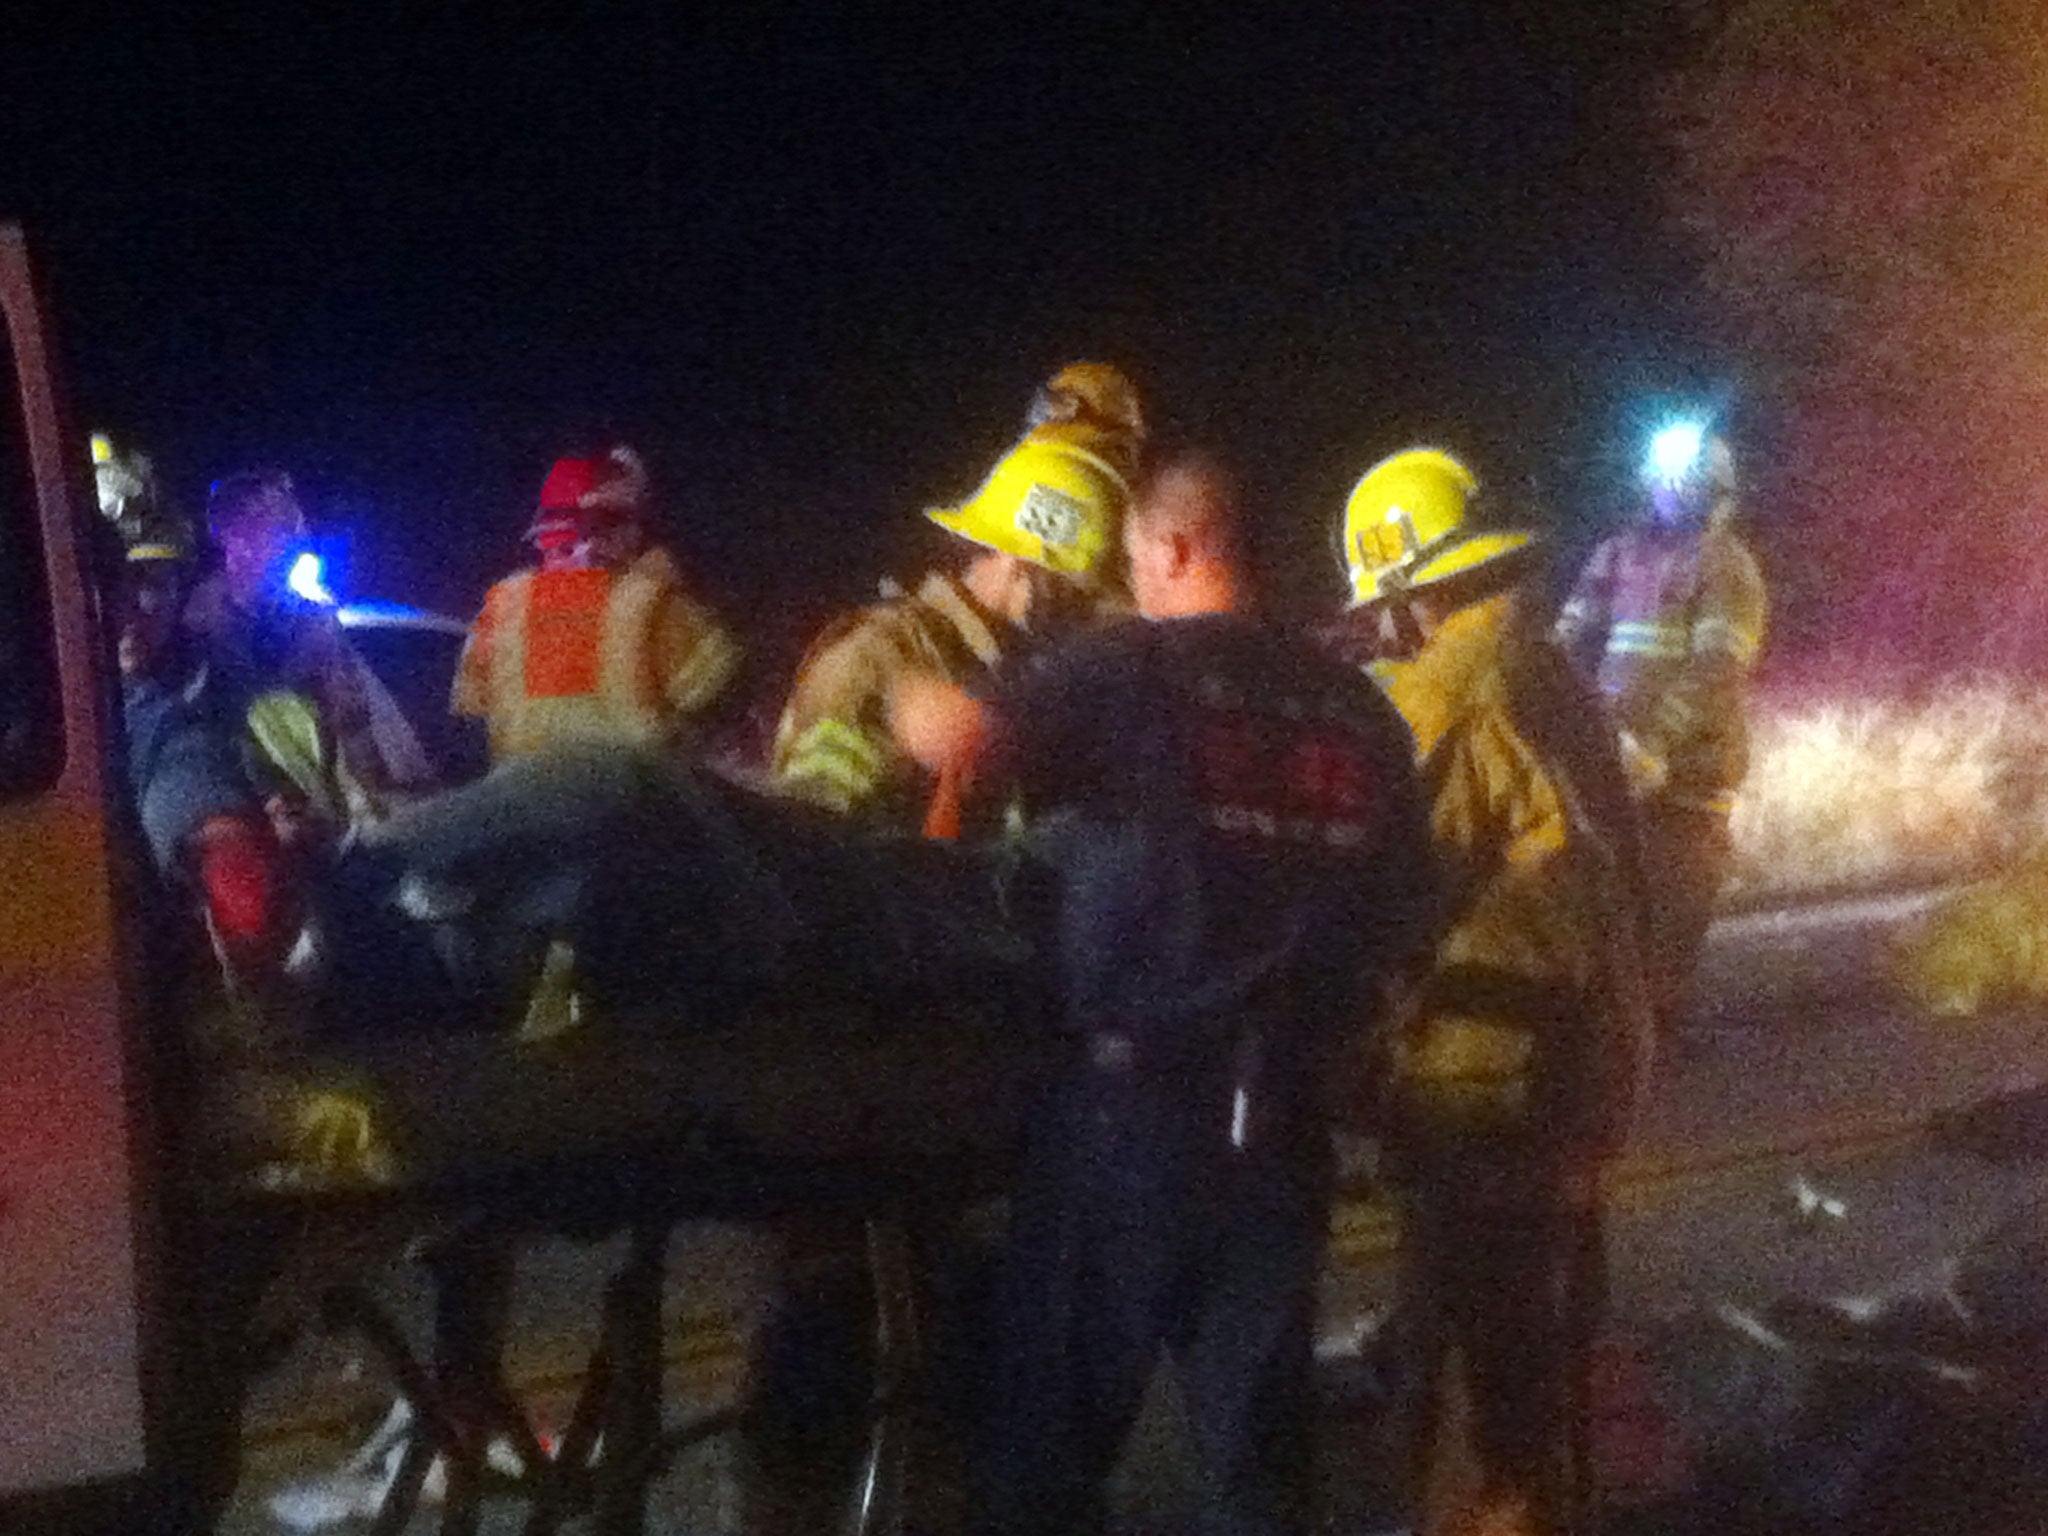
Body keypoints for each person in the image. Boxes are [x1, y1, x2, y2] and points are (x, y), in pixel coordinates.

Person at [942, 454, 1433, 1536]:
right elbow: (1404, 916)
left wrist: (904, 695)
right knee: (1257, 1463)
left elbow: (966, 747)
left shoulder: (1129, 670)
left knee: (1043, 1462)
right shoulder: (1359, 712)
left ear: (1173, 547)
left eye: (1132, 561)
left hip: (1128, 1118)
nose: (1131, 584)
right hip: (1282, 1133)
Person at [1334, 447, 1653, 1536]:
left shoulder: (1445, 691)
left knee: (1481, 1381)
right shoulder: (1546, 670)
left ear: (1410, 590)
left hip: (1485, 1087)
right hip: (1579, 1070)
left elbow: (1369, 886)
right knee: (1541, 1349)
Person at [1554, 422, 1766, 1032]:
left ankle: (1654, 1042)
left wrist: (1653, 744)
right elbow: (1570, 642)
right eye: (1663, 477)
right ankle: (1610, 1037)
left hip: (1688, 783)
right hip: (1614, 767)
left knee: (1668, 923)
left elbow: (1716, 673)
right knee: (1601, 921)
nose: (1669, 489)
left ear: (1712, 488)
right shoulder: (1617, 553)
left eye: (1684, 479)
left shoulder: (1728, 567)